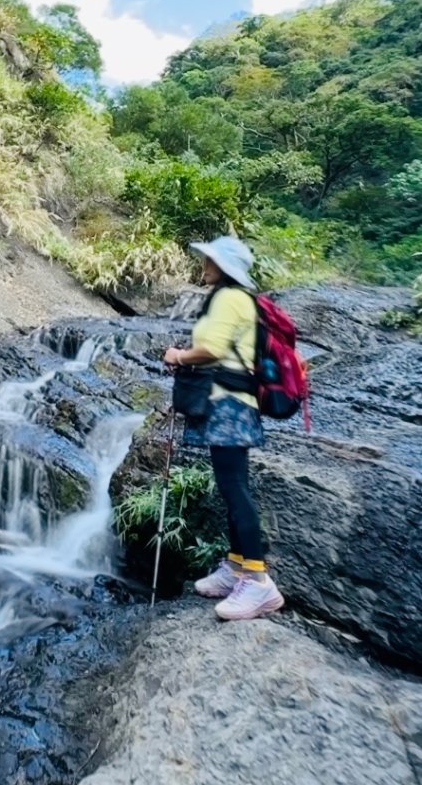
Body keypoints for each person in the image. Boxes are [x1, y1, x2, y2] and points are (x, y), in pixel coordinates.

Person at [164, 235, 284, 621]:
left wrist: (179, 354)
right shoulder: (234, 297)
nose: (205, 263)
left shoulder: (230, 297)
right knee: (231, 486)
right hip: (229, 402)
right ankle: (236, 567)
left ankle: (258, 580)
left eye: (210, 259)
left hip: (229, 404)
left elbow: (212, 349)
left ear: (224, 267)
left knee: (235, 489)